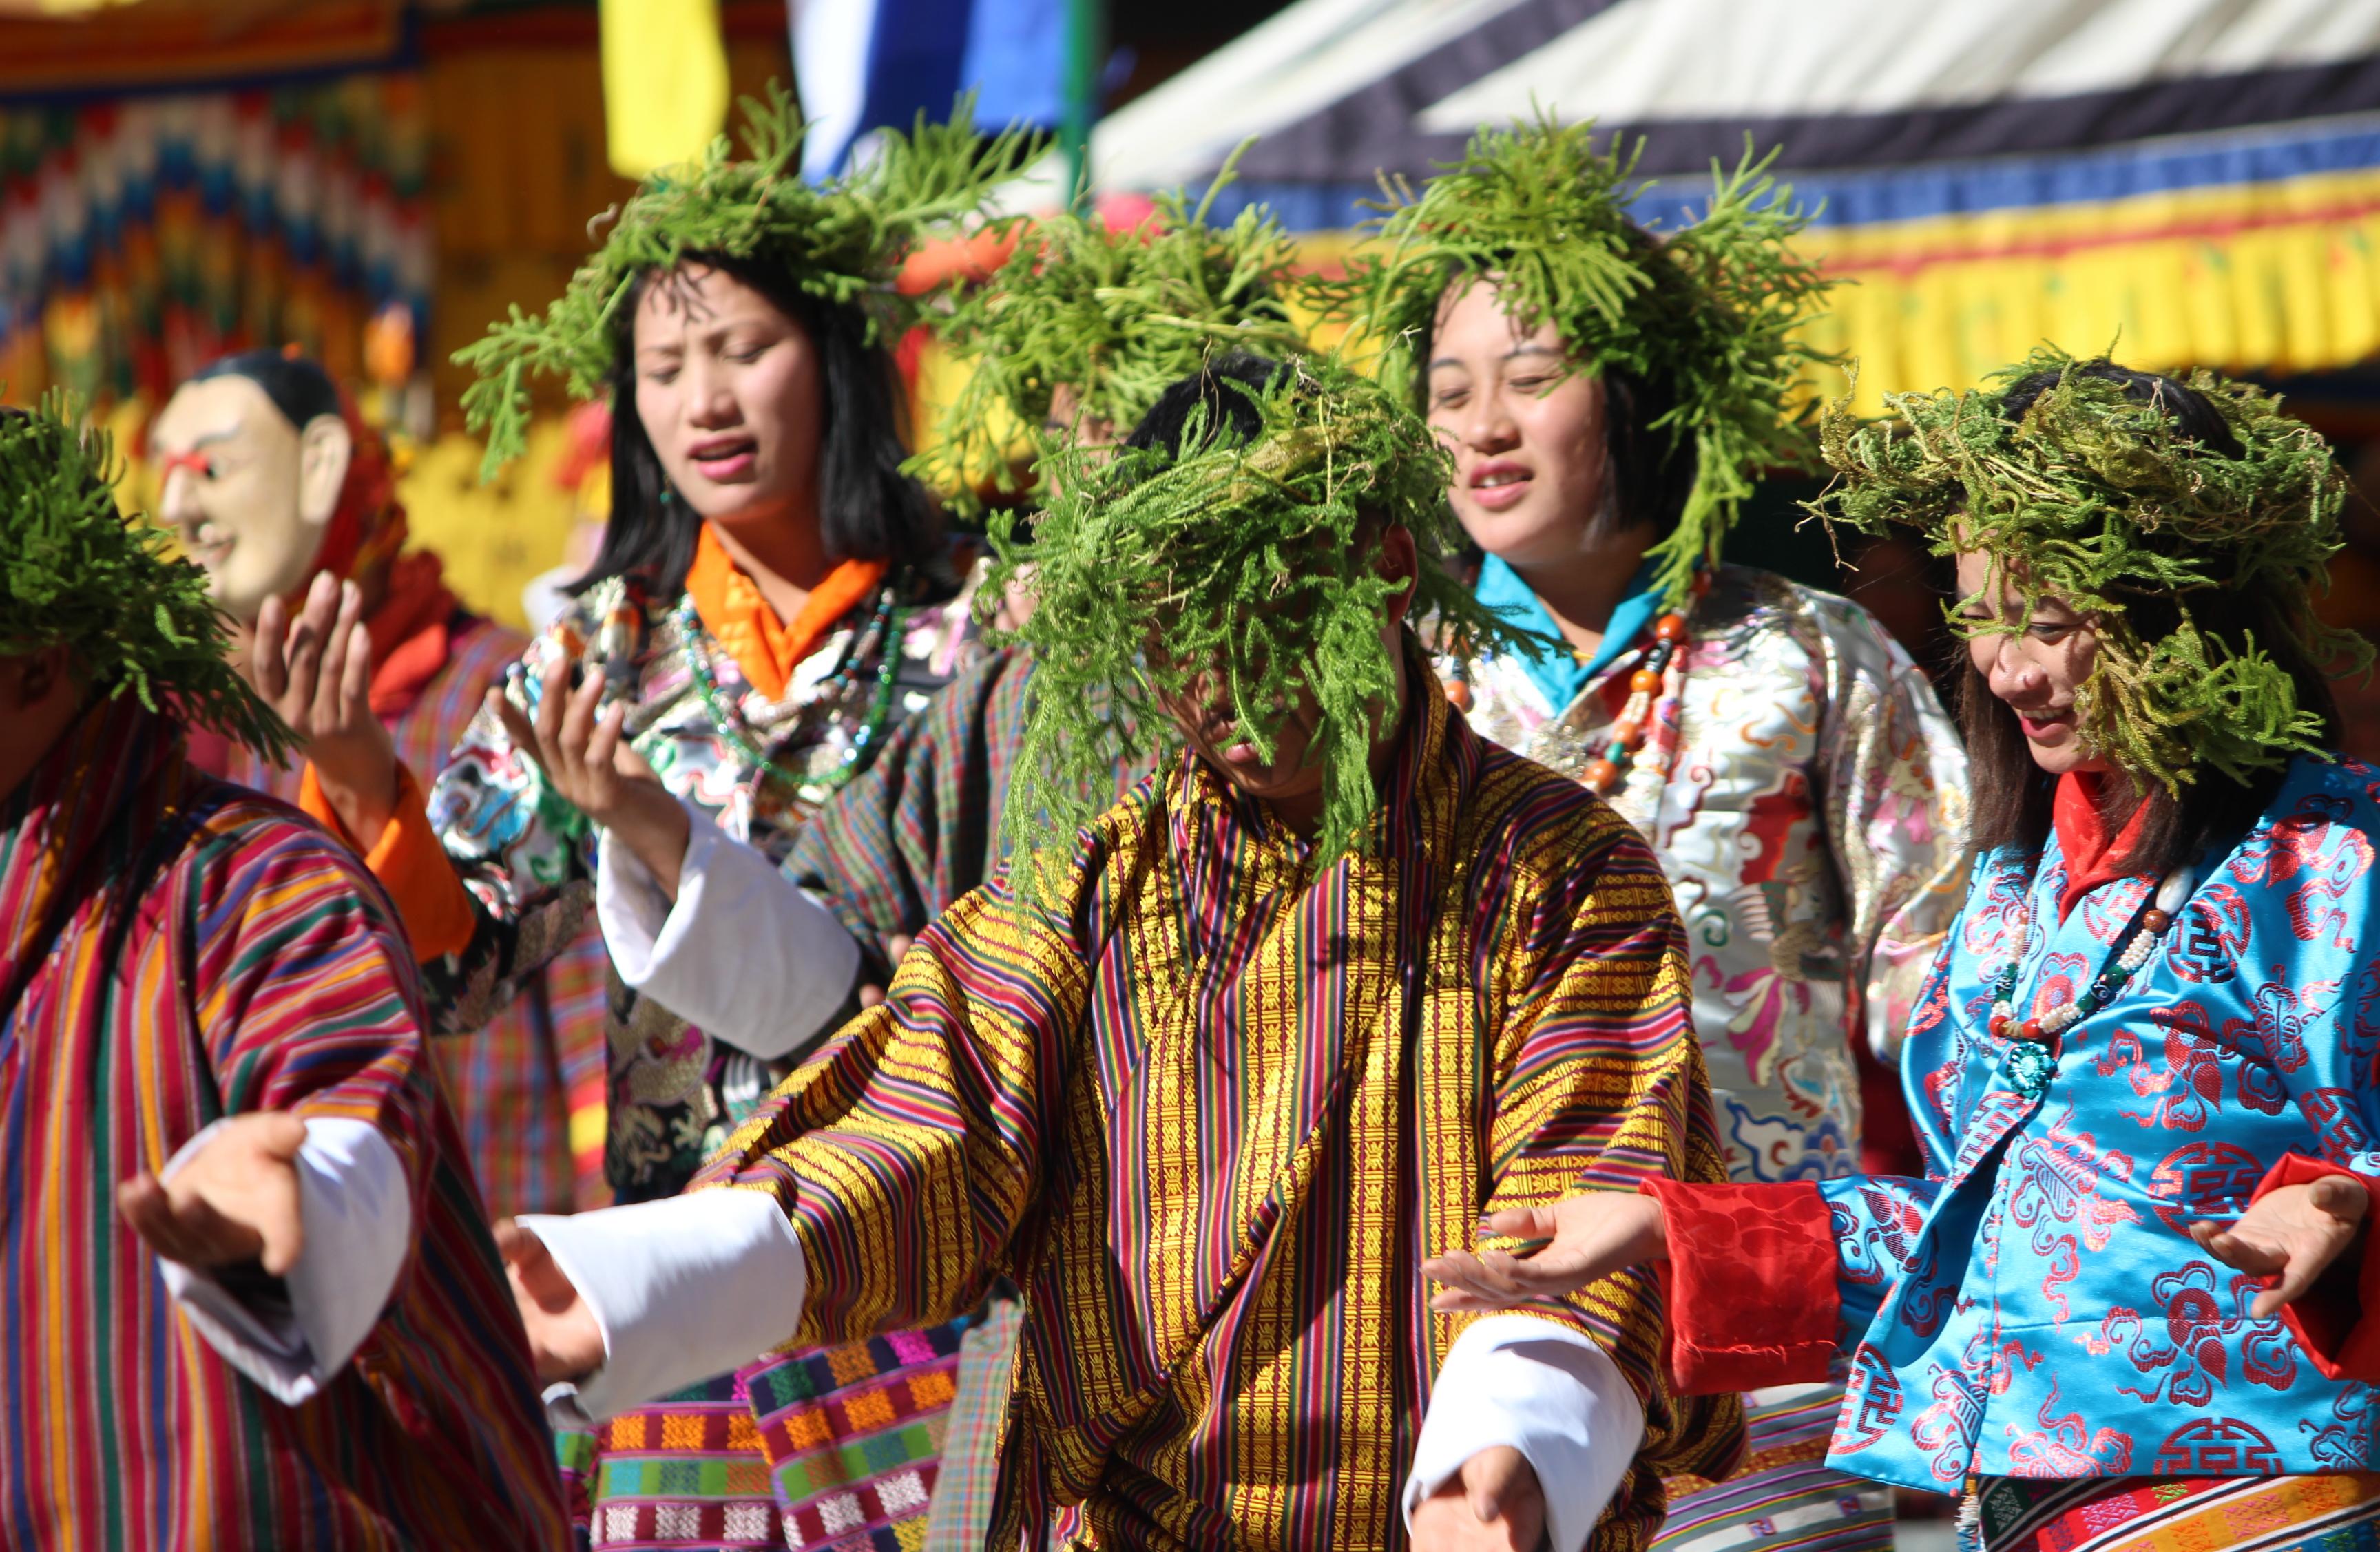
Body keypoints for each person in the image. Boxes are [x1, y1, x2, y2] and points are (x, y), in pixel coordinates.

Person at [497, 355, 1741, 1552]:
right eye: (1170, 631)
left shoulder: (1558, 866)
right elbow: (934, 1124)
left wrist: (1505, 1451)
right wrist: (634, 1274)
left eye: (1265, 614)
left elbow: (1587, 1179)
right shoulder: (1093, 876)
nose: (1219, 679)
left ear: (1388, 566)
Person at [1429, 351, 2380, 1551]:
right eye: (1980, 614)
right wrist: (1667, 1225)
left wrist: (2346, 1201)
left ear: (2184, 603)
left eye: (2048, 621)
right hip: (2021, 1510)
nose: (2003, 667)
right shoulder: (2005, 900)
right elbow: (1962, 1236)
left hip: (2269, 1503)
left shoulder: (2335, 859)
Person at [262, 93, 1022, 1549]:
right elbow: (461, 964)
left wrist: (658, 829)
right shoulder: (599, 651)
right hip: (677, 1302)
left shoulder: (975, 623)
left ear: (844, 361)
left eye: (745, 350)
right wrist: (358, 770)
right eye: (666, 368)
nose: (706, 401)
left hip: (925, 1263)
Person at [585, 180, 1311, 1549]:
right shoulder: (1011, 694)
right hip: (1017, 1313)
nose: (1084, 443)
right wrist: (656, 833)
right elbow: (844, 966)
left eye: (1122, 401)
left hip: (1340, 1322)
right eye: (1059, 404)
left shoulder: (1419, 712)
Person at [1324, 115, 1971, 1552]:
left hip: (1754, 1331)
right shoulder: (1381, 681)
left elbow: (1957, 987)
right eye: (1450, 389)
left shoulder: (1811, 655)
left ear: (1641, 398)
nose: (1483, 426)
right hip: (1448, 1309)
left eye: (1534, 379)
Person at [0, 395, 565, 1549]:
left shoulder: (242, 873)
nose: (182, 501)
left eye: (210, 461)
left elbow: (354, 1084)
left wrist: (308, 1193)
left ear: (38, 660)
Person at [151, 346, 609, 1219]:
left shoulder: (493, 685)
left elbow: (589, 985)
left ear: (323, 467)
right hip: (316, 1239)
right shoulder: (229, 730)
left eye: (209, 463)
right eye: (163, 470)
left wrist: (602, 1237)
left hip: (504, 1232)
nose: (177, 505)